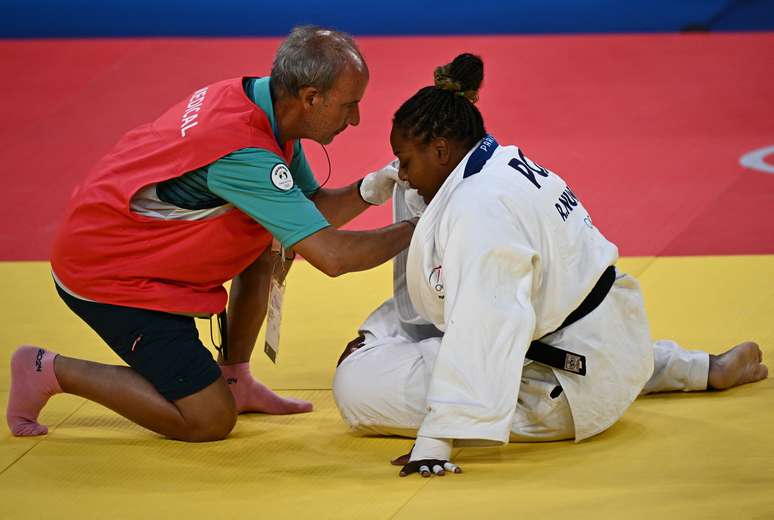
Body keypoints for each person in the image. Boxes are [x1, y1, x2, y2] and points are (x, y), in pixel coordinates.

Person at [332, 53, 768, 478]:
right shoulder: (499, 161)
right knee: (429, 295)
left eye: (405, 163)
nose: (401, 175)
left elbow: (486, 324)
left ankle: (409, 371)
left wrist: (437, 438)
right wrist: (381, 182)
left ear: (442, 150)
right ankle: (685, 367)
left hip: (563, 392)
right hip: (613, 344)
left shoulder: (479, 211)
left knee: (356, 386)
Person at [6, 26, 415, 442]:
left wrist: (372, 187)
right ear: (310, 98)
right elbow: (332, 256)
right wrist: (417, 228)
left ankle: (235, 378)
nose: (356, 119)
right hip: (109, 276)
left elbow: (306, 209)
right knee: (208, 419)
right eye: (349, 106)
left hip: (124, 238)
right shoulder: (243, 152)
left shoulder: (263, 104)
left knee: (274, 238)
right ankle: (45, 368)